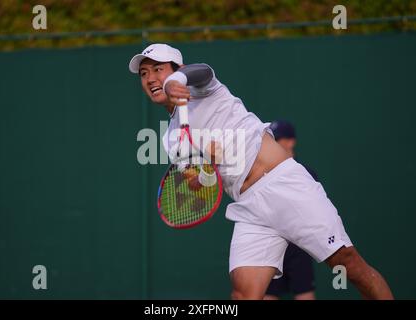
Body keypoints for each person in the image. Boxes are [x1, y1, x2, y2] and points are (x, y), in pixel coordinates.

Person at [128, 43, 394, 300]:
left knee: (349, 264)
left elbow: (202, 70)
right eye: (144, 73)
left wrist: (177, 81)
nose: (151, 78)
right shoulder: (171, 140)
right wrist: (206, 172)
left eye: (158, 69)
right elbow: (197, 183)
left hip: (284, 185)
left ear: (177, 68)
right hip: (250, 208)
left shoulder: (203, 88)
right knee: (244, 294)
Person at [264, 120, 317, 300]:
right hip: (270, 246)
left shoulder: (305, 174)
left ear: (290, 142)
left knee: (305, 294)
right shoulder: (261, 175)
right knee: (268, 295)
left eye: (276, 140)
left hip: (299, 246)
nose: (271, 144)